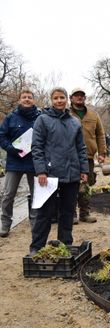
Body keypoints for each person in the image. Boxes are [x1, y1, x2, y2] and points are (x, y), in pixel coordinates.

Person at [29, 87, 89, 255]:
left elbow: (81, 148)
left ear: (66, 100)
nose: (59, 101)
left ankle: (66, 244)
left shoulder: (74, 122)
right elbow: (37, 147)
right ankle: (37, 247)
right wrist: (41, 171)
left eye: (62, 97)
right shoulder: (42, 120)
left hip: (71, 174)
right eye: (56, 98)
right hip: (48, 176)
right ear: (52, 100)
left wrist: (83, 169)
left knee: (68, 212)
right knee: (44, 213)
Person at [0, 89, 40, 238]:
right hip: (14, 162)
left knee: (36, 195)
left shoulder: (40, 118)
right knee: (8, 194)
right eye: (24, 97)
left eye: (30, 97)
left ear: (33, 100)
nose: (27, 99)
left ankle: (36, 225)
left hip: (34, 162)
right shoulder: (11, 117)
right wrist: (11, 149)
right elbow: (1, 136)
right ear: (19, 100)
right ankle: (5, 224)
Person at [69, 87, 107, 224]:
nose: (79, 97)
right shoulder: (66, 114)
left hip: (88, 155)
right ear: (71, 98)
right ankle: (71, 214)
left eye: (81, 95)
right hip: (69, 156)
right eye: (76, 95)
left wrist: (102, 152)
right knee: (71, 185)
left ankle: (84, 213)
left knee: (86, 185)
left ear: (85, 98)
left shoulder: (93, 114)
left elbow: (100, 135)